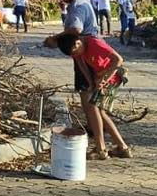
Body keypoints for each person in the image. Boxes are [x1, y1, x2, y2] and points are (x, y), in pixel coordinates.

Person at [52, 32, 132, 160]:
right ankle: (122, 148)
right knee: (98, 112)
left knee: (94, 108)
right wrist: (90, 83)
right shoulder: (76, 49)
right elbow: (81, 64)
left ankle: (101, 150)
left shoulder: (95, 43)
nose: (75, 55)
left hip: (113, 77)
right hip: (99, 77)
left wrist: (104, 79)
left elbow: (118, 60)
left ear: (78, 42)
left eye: (75, 51)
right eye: (72, 54)